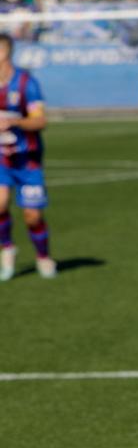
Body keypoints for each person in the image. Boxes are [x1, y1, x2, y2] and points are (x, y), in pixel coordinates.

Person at [0, 35, 56, 280]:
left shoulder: (25, 83)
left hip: (28, 160)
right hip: (1, 158)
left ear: (5, 52)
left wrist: (14, 121)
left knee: (32, 216)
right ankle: (7, 249)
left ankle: (43, 257)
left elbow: (40, 121)